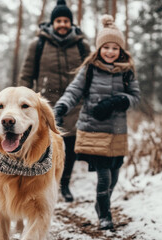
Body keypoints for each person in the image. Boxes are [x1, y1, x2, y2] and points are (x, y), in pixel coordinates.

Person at [53, 15, 140, 230]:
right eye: (106, 47)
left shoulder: (127, 72)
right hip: (94, 129)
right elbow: (73, 91)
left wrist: (119, 100)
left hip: (117, 131)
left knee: (114, 174)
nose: (110, 52)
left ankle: (101, 205)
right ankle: (105, 216)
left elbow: (135, 98)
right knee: (103, 176)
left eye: (114, 48)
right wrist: (61, 107)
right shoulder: (90, 69)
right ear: (99, 48)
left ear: (121, 50)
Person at [18, 0, 91, 202]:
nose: (62, 24)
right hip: (45, 103)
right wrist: (22, 103)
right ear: (52, 22)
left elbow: (91, 73)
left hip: (75, 104)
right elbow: (26, 75)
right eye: (58, 20)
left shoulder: (82, 45)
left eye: (65, 21)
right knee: (44, 144)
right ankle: (43, 181)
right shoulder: (38, 44)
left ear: (71, 23)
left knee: (70, 144)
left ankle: (64, 183)